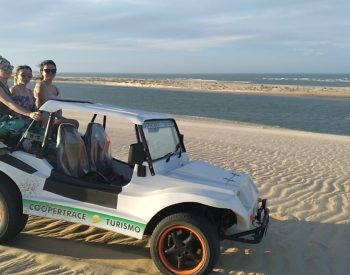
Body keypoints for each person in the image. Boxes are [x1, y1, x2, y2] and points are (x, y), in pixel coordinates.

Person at [0, 56, 41, 143]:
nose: (8, 70)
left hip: (5, 121)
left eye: (10, 67)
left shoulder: (5, 86)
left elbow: (8, 110)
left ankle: (42, 143)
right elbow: (9, 104)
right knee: (20, 124)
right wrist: (29, 114)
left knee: (34, 126)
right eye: (4, 67)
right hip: (2, 123)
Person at [34, 60, 78, 129]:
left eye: (53, 71)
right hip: (44, 119)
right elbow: (45, 106)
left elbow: (59, 107)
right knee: (73, 123)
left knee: (72, 124)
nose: (50, 73)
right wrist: (60, 117)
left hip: (54, 117)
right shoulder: (41, 85)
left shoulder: (55, 88)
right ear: (42, 72)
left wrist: (60, 117)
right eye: (47, 70)